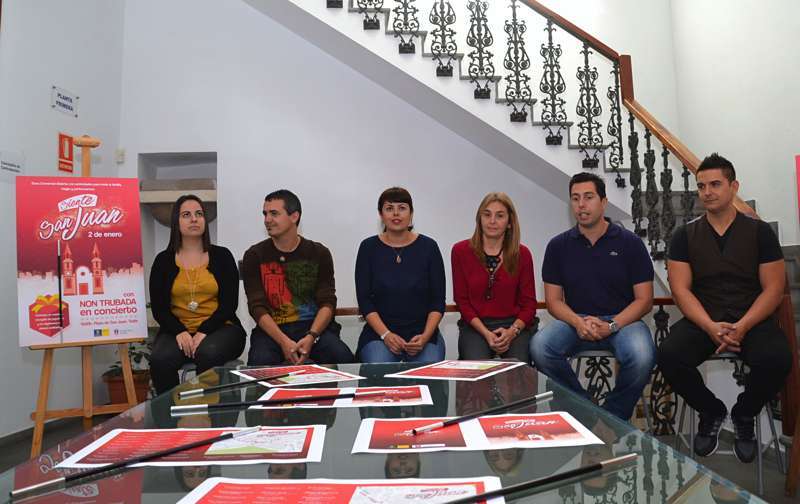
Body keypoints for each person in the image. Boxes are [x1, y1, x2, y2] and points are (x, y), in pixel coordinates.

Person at [659, 153, 791, 463]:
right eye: (701, 186)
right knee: (669, 355)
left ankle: (744, 414)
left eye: (715, 184)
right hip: (704, 319)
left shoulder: (760, 233)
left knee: (777, 358)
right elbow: (680, 290)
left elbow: (773, 289)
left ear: (734, 187)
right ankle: (711, 411)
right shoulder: (683, 236)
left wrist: (743, 326)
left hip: (751, 318)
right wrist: (709, 326)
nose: (707, 192)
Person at [530, 172, 656, 421]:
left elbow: (644, 300)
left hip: (623, 322)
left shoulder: (630, 243)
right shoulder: (558, 246)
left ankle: (611, 418)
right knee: (540, 347)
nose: (581, 204)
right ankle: (584, 412)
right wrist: (578, 322)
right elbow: (554, 301)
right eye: (575, 198)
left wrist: (612, 325)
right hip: (575, 321)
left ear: (604, 202)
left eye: (588, 197)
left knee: (642, 355)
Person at [242, 189, 354, 366]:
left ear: (294, 216)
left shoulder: (319, 253)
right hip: (273, 331)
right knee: (259, 363)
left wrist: (311, 336)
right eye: (265, 214)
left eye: (274, 213)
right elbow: (256, 307)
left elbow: (327, 302)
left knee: (344, 358)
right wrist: (283, 341)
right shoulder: (254, 255)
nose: (267, 220)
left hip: (313, 328)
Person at [148, 195, 246, 395]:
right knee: (160, 360)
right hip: (177, 330)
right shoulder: (163, 261)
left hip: (220, 327)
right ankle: (170, 412)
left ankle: (212, 412)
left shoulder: (222, 256)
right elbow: (160, 309)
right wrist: (180, 331)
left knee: (208, 353)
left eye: (199, 214)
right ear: (176, 222)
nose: (194, 219)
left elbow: (229, 305)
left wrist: (203, 331)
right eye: (186, 215)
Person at [355, 187, 446, 363]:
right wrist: (386, 335)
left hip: (423, 333)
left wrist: (425, 336)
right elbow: (364, 300)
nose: (396, 213)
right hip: (380, 334)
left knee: (427, 373)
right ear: (381, 215)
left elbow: (437, 300)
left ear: (411, 214)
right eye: (389, 208)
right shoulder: (368, 248)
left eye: (402, 208)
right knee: (379, 369)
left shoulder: (429, 247)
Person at [451, 192, 537, 362]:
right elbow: (462, 301)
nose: (492, 221)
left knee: (517, 370)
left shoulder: (523, 254)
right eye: (487, 214)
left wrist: (512, 332)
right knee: (476, 369)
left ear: (510, 222)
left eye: (500, 216)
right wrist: (485, 333)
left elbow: (529, 304)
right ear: (479, 219)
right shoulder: (460, 251)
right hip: (476, 326)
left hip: (514, 325)